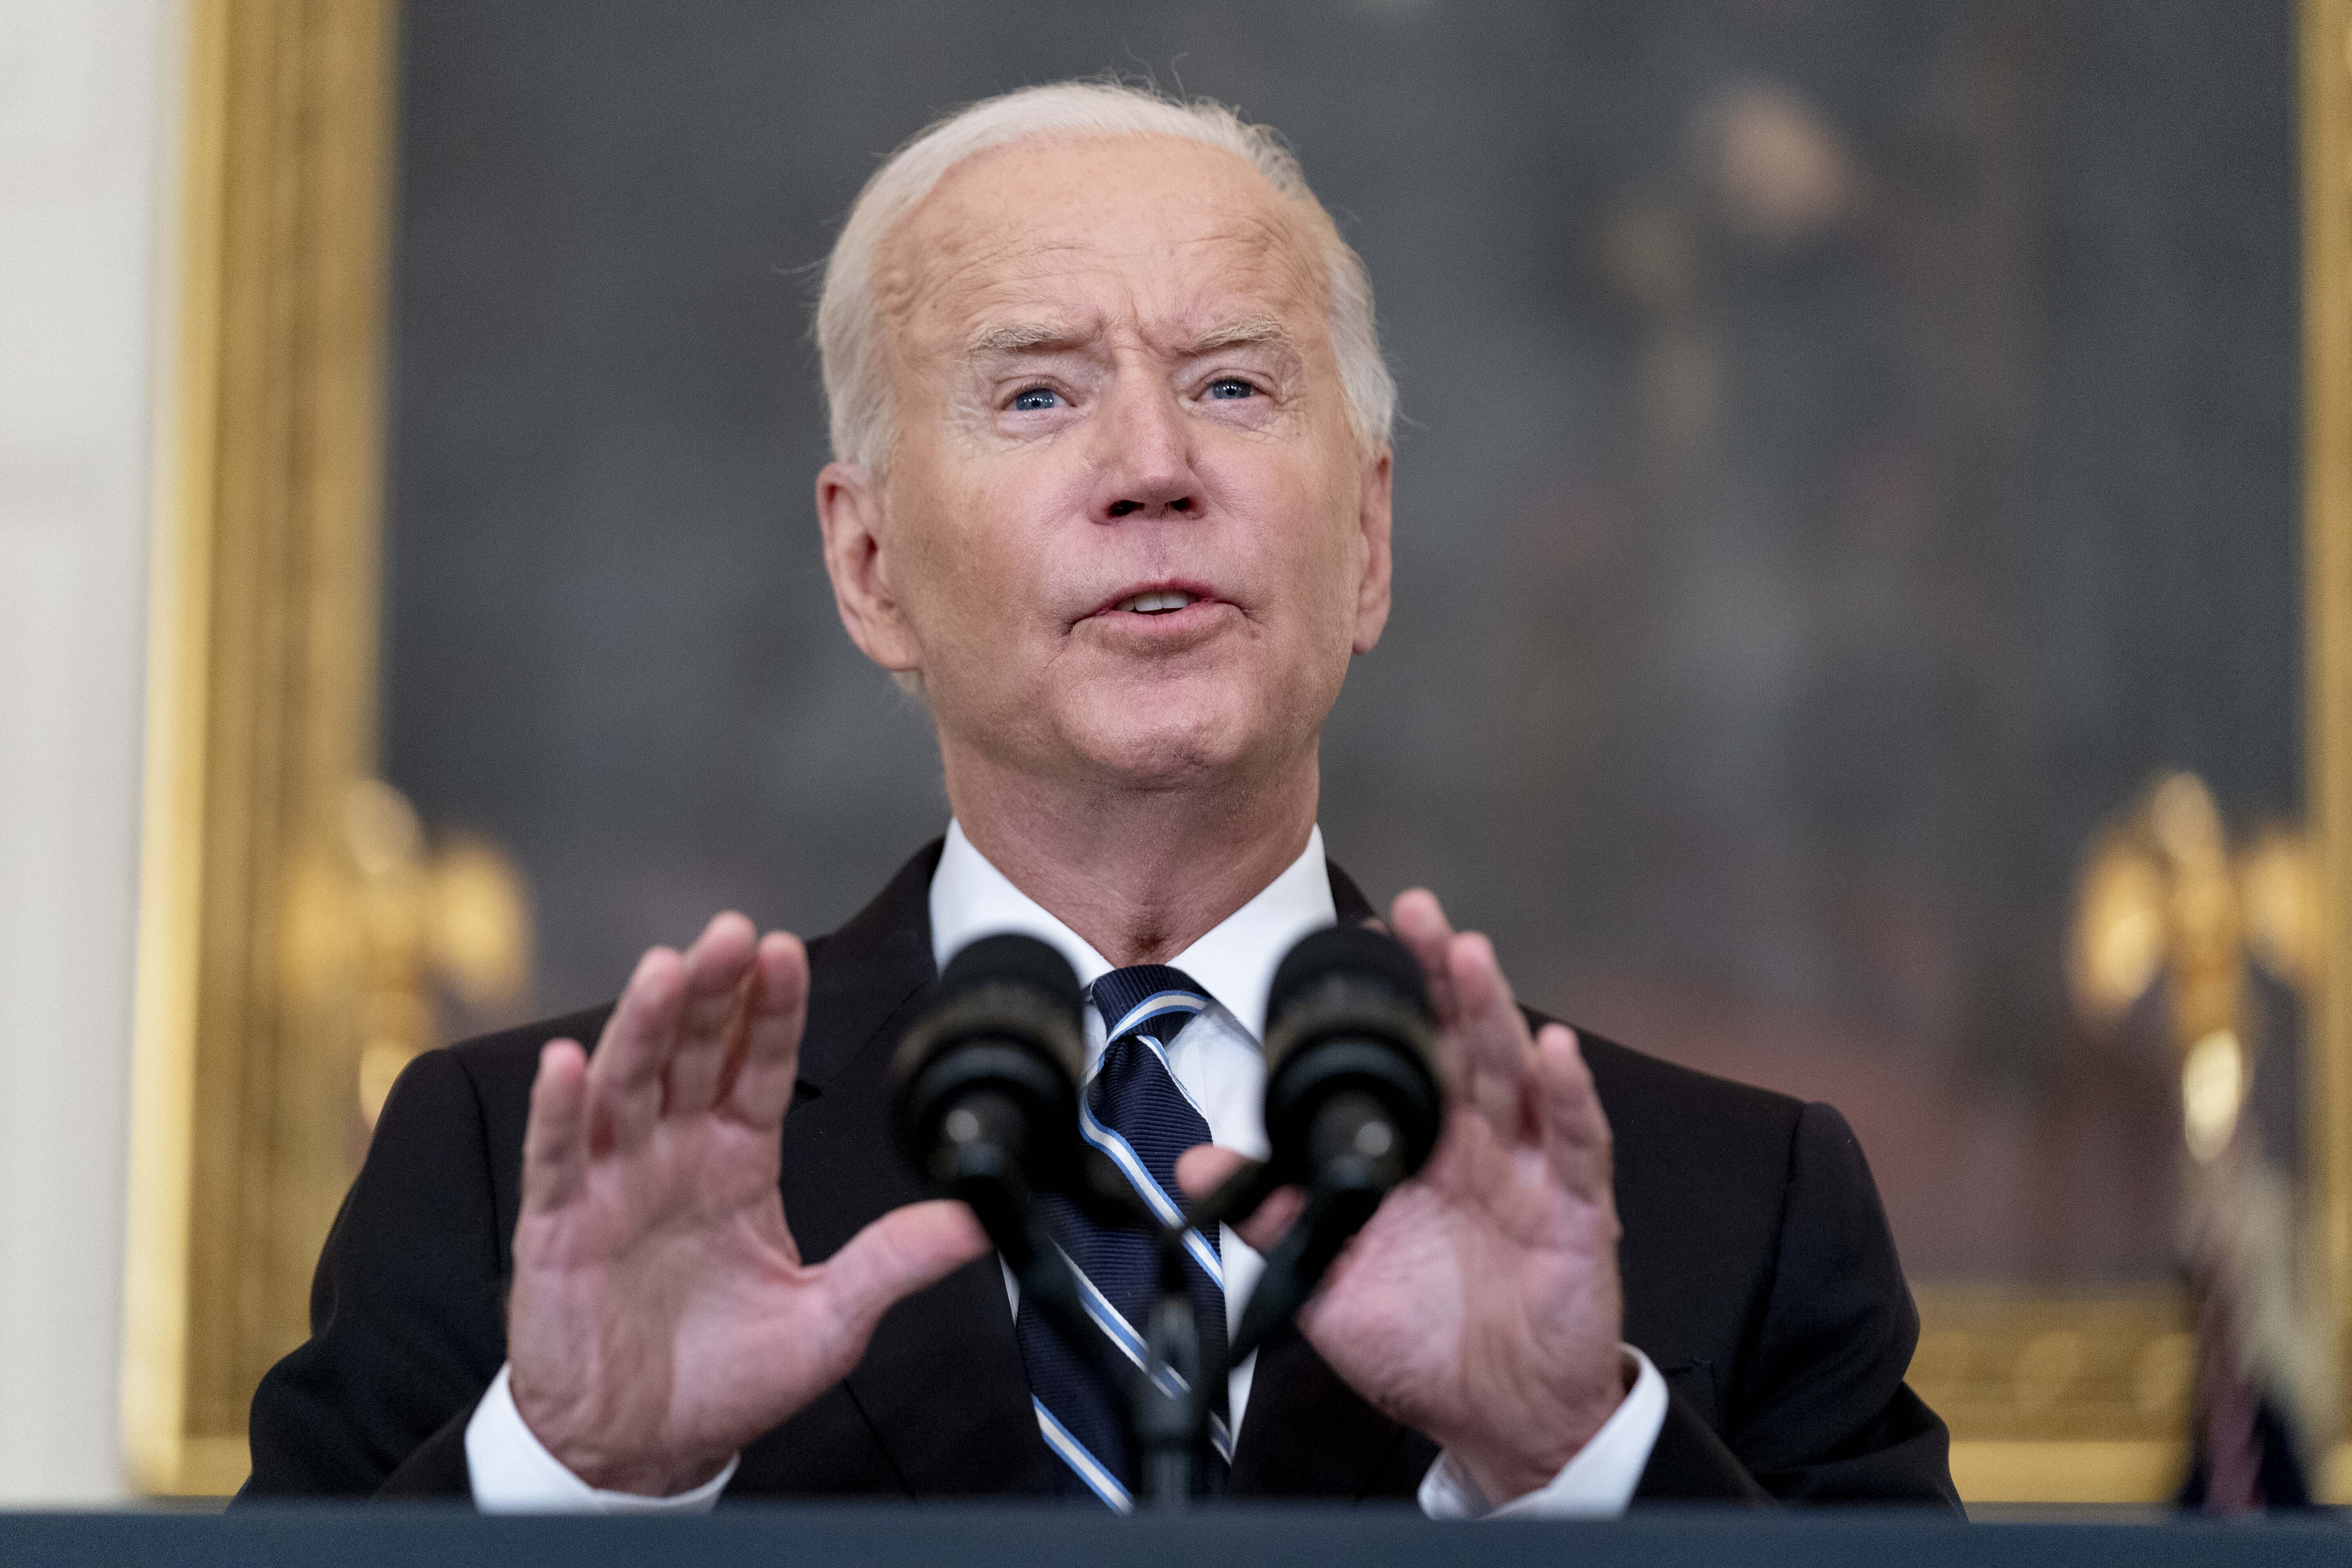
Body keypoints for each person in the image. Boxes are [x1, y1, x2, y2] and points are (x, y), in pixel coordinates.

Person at [241, 80, 1957, 1515]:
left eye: (1232, 381)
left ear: (1366, 541)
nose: (1153, 468)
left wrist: (1575, 1457)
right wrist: (577, 1471)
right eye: (1039, 392)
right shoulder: (510, 1179)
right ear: (868, 560)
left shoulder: (1738, 1204)